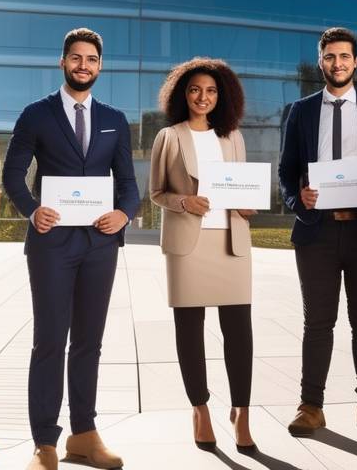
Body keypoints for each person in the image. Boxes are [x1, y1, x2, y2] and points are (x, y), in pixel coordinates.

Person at [3, 28, 140, 470]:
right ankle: (44, 443)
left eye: (92, 60)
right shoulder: (36, 114)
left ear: (100, 66)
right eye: (76, 58)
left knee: (89, 342)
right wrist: (31, 208)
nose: (84, 65)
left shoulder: (115, 119)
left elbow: (129, 183)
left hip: (101, 242)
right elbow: (13, 174)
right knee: (49, 340)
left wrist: (124, 214)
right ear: (62, 62)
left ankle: (83, 434)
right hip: (52, 242)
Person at [277, 26, 357, 446]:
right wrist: (300, 199)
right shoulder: (300, 111)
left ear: (355, 61)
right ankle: (310, 406)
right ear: (321, 61)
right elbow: (285, 172)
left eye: (344, 56)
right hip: (318, 232)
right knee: (317, 323)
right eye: (330, 57)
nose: (337, 64)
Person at [149, 58, 257, 455]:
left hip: (232, 243)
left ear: (221, 95)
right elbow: (157, 192)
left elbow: (242, 188)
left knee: (239, 333)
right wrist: (184, 201)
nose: (203, 97)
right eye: (195, 89)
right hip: (187, 246)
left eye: (211, 91)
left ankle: (241, 412)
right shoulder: (169, 137)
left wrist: (247, 206)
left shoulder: (233, 138)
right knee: (189, 333)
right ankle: (201, 409)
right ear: (183, 93)